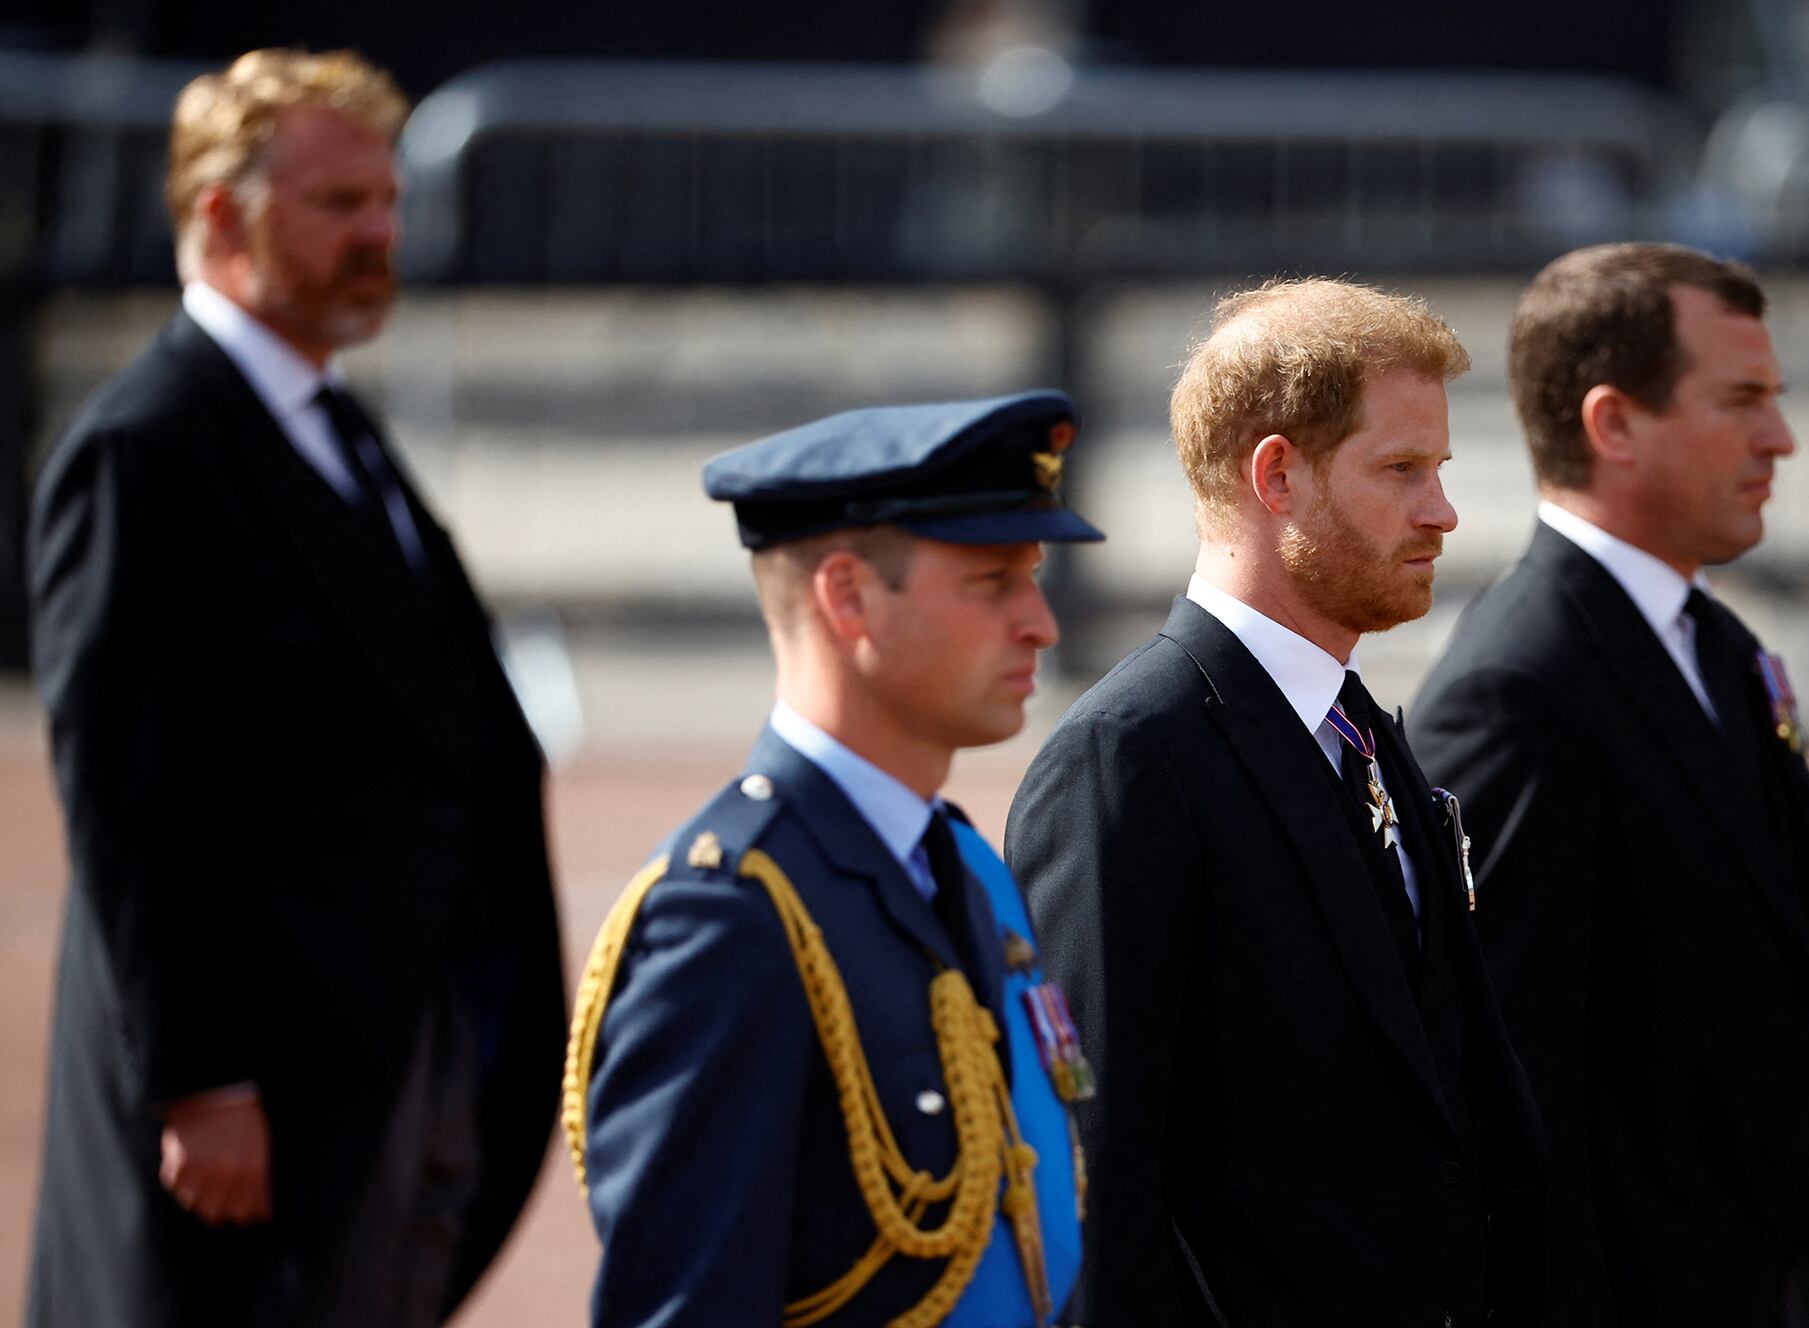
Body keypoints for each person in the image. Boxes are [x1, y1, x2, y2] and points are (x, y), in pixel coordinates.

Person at [26, 49, 565, 1328]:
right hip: (265, 1078)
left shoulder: (330, 426)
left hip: (388, 1041)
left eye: (386, 201)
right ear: (221, 215)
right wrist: (201, 1079)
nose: (380, 233)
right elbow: (131, 798)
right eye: (337, 205)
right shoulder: (143, 452)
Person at [1006, 279, 1546, 1327]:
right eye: (1401, 469)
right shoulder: (1127, 760)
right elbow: (1091, 1181)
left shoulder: (1358, 728)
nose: (1442, 510)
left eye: (1440, 470)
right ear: (1277, 475)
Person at [564, 391, 1100, 1327]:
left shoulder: (965, 869)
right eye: (992, 582)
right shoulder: (730, 917)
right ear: (848, 597)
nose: (1041, 624)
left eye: (1035, 576)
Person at [1407, 242, 1809, 1327]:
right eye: (1743, 399)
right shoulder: (1518, 689)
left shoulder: (1712, 646)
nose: (1780, 439)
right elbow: (1499, 1095)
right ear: (1614, 424)